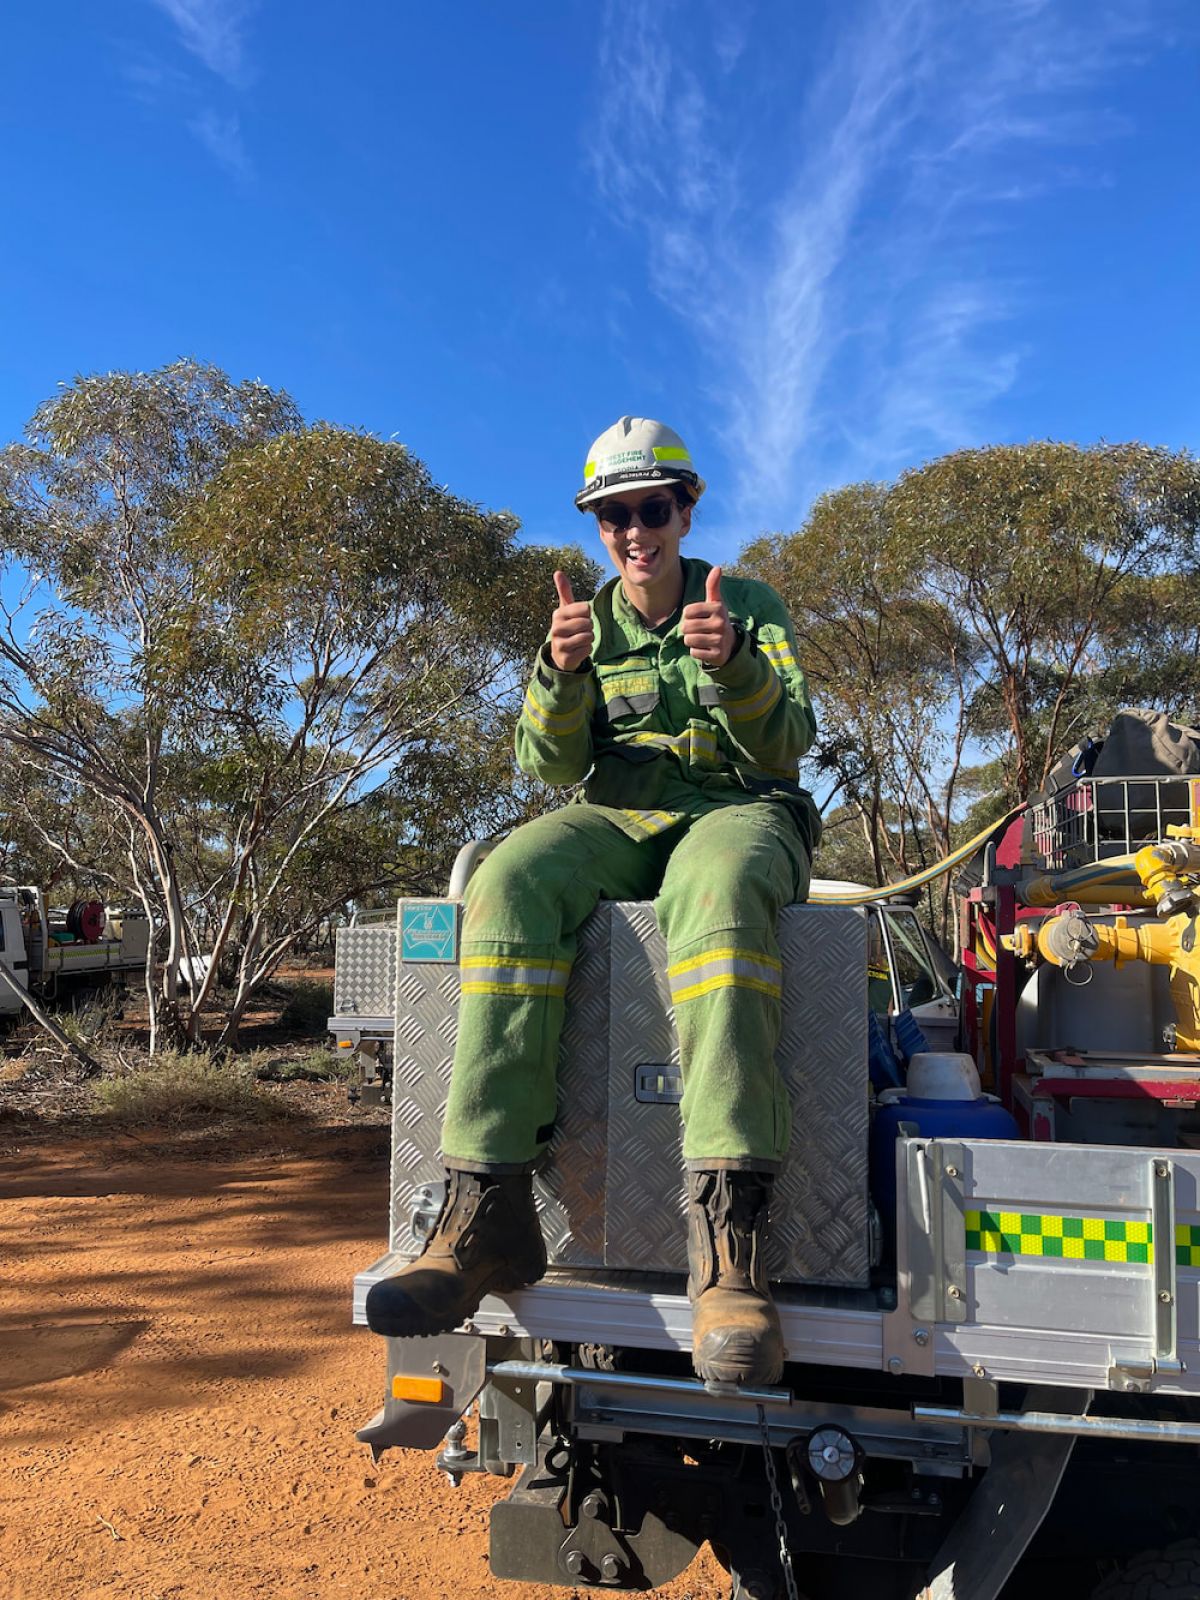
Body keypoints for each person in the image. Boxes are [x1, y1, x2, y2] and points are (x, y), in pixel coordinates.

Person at [366, 416, 820, 1387]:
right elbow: (547, 762)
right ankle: (485, 1213)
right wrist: (559, 674)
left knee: (722, 885)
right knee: (509, 876)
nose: (632, 530)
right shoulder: (586, 622)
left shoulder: (747, 603)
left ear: (687, 509)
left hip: (738, 811)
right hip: (618, 817)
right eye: (612, 514)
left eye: (650, 508)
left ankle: (729, 1251)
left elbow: (785, 748)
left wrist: (733, 664)